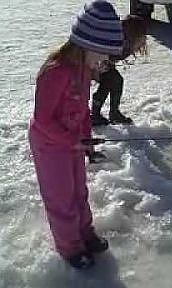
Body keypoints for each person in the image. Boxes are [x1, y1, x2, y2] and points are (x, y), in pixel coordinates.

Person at [28, 0, 124, 269]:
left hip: (72, 143)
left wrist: (87, 140)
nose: (104, 62)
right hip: (50, 146)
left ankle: (84, 233)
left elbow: (80, 110)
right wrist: (72, 140)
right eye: (103, 55)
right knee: (62, 197)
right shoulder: (55, 73)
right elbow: (43, 120)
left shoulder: (83, 69)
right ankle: (69, 246)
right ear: (86, 45)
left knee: (79, 191)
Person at [91, 14, 147, 126]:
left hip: (103, 63)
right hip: (93, 62)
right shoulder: (116, 40)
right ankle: (98, 114)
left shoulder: (126, 41)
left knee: (115, 81)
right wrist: (99, 68)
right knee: (111, 81)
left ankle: (111, 113)